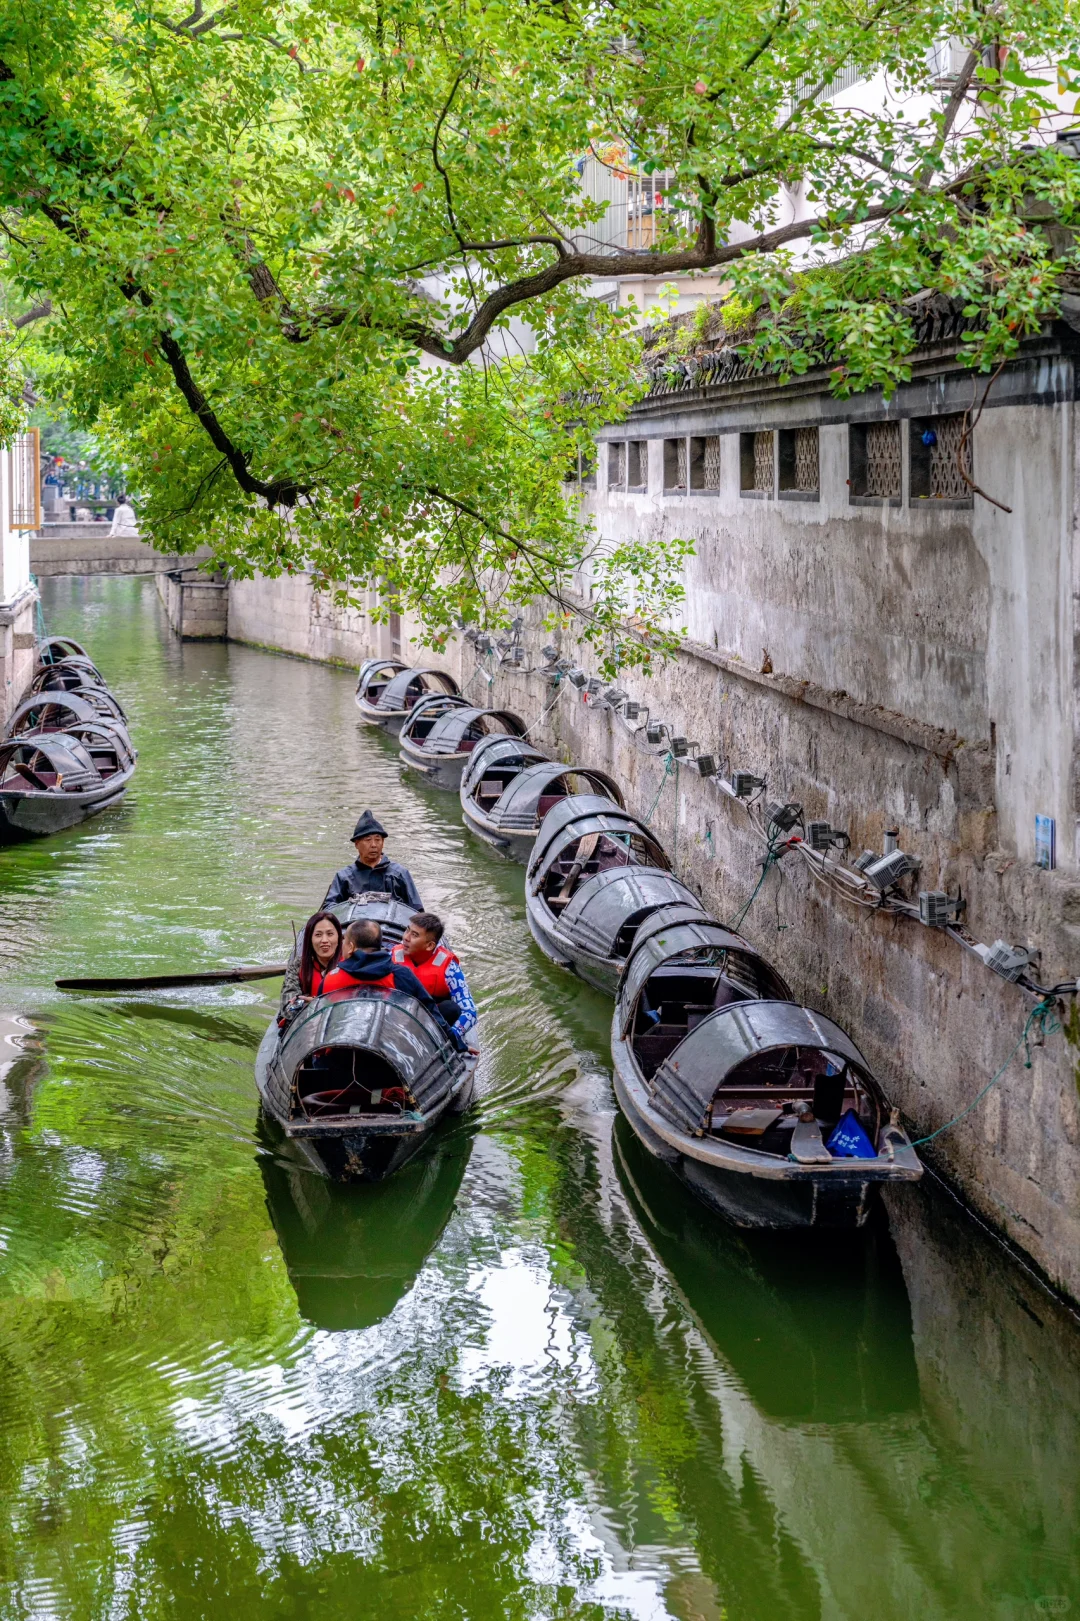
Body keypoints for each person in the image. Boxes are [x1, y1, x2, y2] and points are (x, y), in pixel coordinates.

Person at [321, 919, 465, 1049]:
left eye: (344, 941)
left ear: (350, 947)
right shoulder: (402, 975)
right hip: (393, 1053)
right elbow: (431, 1012)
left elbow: (320, 1022)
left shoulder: (330, 979)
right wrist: (458, 1045)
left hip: (338, 1052)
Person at [392, 911, 478, 1046]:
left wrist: (452, 1037)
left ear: (430, 945)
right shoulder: (393, 956)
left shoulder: (449, 967)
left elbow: (469, 1011)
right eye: (407, 930)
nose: (406, 938)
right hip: (399, 1015)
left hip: (433, 1020)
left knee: (451, 1009)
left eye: (414, 935)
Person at [322, 810, 423, 909]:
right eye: (368, 840)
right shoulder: (344, 877)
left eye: (377, 839)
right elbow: (329, 909)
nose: (373, 845)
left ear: (383, 843)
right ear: (356, 844)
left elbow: (417, 910)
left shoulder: (400, 874)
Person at [278, 911, 343, 1027]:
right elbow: (287, 1007)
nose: (324, 940)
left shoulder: (350, 964)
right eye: (318, 935)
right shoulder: (298, 965)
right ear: (310, 939)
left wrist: (316, 1003)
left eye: (330, 934)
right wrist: (307, 1004)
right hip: (307, 1027)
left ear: (339, 937)